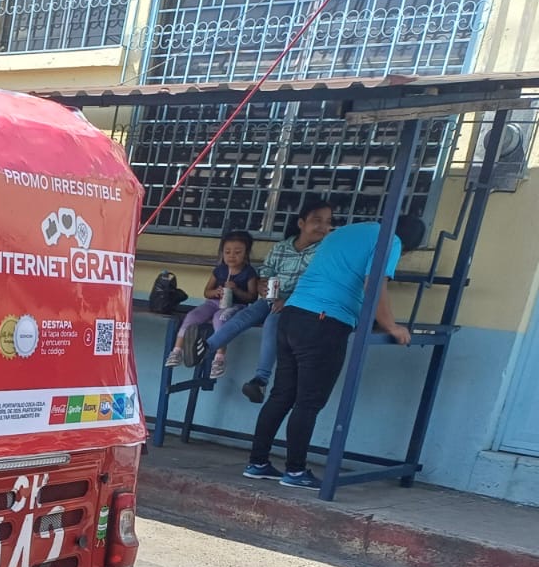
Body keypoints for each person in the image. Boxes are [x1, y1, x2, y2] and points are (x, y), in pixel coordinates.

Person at [244, 213, 426, 489]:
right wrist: (391, 326)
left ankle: (257, 463)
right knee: (308, 401)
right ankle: (294, 472)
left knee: (282, 394)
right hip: (324, 322)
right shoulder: (391, 240)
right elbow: (374, 283)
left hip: (292, 315)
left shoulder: (347, 231)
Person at [206, 197, 333, 400]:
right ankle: (207, 346)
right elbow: (266, 270)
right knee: (244, 316)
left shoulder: (325, 251)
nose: (324, 226)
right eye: (317, 220)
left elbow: (320, 282)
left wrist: (289, 301)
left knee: (272, 323)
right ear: (301, 223)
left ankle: (260, 380)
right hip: (271, 299)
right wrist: (262, 283)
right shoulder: (281, 247)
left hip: (297, 305)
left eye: (328, 222)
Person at [165, 231, 258, 373]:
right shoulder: (220, 270)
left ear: (246, 254)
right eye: (227, 252)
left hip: (235, 305)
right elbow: (207, 292)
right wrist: (216, 292)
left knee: (219, 318)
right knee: (192, 316)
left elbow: (252, 297)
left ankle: (219, 358)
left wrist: (236, 290)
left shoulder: (249, 272)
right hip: (213, 303)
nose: (232, 255)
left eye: (237, 252)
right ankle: (177, 350)